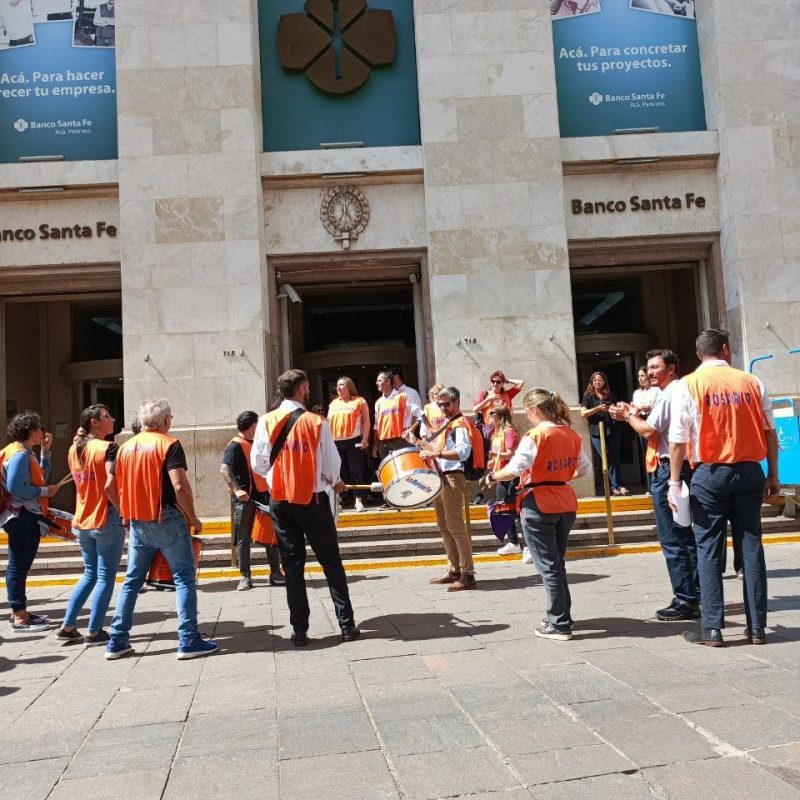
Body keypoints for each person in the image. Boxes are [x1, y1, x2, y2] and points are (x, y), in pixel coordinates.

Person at [668, 329, 779, 647]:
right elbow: (769, 430)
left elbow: (678, 439)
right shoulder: (751, 382)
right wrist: (773, 474)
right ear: (726, 349)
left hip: (709, 474)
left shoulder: (689, 384)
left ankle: (713, 628)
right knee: (751, 547)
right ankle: (757, 627)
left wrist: (675, 481)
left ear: (699, 354)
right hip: (749, 472)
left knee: (708, 549)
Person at [251, 369, 359, 647]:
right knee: (331, 561)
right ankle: (346, 625)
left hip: (281, 501)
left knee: (292, 565)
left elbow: (259, 465)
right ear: (301, 389)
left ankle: (300, 630)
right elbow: (331, 465)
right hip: (311, 500)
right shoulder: (316, 422)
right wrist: (334, 482)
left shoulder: (265, 421)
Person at [105, 398, 218, 660]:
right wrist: (193, 517)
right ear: (165, 420)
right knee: (184, 578)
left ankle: (117, 640)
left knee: (132, 581)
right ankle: (188, 639)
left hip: (137, 520)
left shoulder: (125, 447)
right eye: (171, 419)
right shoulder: (169, 444)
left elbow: (110, 486)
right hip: (166, 517)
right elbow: (179, 486)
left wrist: (123, 509)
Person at [489, 389, 592, 641]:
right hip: (565, 501)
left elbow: (516, 468)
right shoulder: (572, 434)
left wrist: (494, 476)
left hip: (538, 501)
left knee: (548, 566)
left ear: (534, 410)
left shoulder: (535, 435)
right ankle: (561, 615)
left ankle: (559, 624)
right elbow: (585, 468)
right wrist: (561, 477)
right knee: (557, 563)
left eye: (528, 412)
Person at [610, 350, 699, 621]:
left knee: (673, 537)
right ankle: (696, 593)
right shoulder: (679, 391)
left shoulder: (669, 394)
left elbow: (650, 430)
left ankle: (685, 599)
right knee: (685, 536)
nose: (649, 372)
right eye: (648, 368)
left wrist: (627, 416)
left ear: (671, 368)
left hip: (669, 470)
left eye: (655, 367)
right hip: (683, 468)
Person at [55, 404, 126, 646]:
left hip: (82, 519)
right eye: (107, 416)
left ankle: (68, 625)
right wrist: (122, 511)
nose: (113, 419)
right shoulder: (109, 448)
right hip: (105, 517)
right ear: (94, 423)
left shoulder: (74, 449)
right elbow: (109, 485)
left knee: (89, 574)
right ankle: (95, 631)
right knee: (105, 576)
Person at [1, 411, 60, 633]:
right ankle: (19, 616)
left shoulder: (20, 452)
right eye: (39, 428)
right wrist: (45, 490)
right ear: (31, 431)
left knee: (19, 565)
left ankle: (18, 611)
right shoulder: (20, 455)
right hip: (22, 516)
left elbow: (39, 476)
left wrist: (45, 452)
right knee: (18, 566)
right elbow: (15, 487)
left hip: (20, 515)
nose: (42, 432)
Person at [415, 387, 477, 592]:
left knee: (456, 527)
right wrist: (415, 440)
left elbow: (462, 453)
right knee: (444, 525)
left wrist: (436, 454)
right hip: (440, 477)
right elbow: (435, 451)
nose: (443, 408)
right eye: (440, 404)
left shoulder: (459, 424)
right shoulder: (449, 424)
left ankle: (467, 574)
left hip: (452, 477)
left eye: (447, 404)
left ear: (457, 403)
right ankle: (454, 570)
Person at [221, 410, 285, 592]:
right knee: (243, 539)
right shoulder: (235, 445)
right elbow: (224, 469)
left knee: (270, 537)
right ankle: (245, 577)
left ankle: (275, 573)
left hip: (263, 496)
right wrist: (237, 489)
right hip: (245, 499)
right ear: (254, 425)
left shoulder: (257, 443)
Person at [472, 371, 524, 503]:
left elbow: (521, 383)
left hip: (503, 430)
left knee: (503, 459)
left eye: (498, 381)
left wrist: (507, 380)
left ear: (502, 383)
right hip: (489, 430)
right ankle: (481, 493)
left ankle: (506, 490)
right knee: (486, 462)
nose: (495, 384)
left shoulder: (507, 394)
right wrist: (489, 399)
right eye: (493, 381)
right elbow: (475, 409)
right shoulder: (485, 394)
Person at [581, 371, 628, 496]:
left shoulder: (610, 395)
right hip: (597, 431)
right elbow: (583, 413)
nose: (597, 382)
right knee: (607, 457)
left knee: (615, 457)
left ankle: (617, 486)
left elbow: (617, 409)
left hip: (612, 429)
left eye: (600, 380)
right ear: (592, 382)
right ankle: (617, 485)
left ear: (604, 382)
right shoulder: (588, 396)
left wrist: (615, 409)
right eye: (595, 380)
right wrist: (598, 409)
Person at [328, 377, 370, 513]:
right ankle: (340, 500)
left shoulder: (359, 401)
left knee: (355, 470)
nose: (338, 388)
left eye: (342, 385)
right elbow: (328, 424)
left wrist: (365, 439)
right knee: (339, 472)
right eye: (337, 385)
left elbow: (366, 421)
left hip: (354, 440)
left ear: (349, 387)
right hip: (335, 442)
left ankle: (358, 500)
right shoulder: (333, 403)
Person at [488, 406, 523, 556]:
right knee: (504, 510)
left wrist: (495, 455)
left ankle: (527, 545)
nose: (489, 417)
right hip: (501, 475)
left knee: (517, 509)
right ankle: (513, 542)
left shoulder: (509, 432)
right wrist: (493, 461)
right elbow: (500, 455)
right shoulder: (495, 433)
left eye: (492, 415)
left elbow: (511, 454)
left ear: (500, 416)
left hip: (511, 475)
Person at [373, 370, 422, 462]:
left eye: (379, 380)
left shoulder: (403, 396)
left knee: (406, 470)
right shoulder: (378, 402)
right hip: (383, 444)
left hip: (402, 441)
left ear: (388, 381)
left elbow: (420, 415)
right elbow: (377, 426)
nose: (376, 383)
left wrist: (411, 430)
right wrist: (375, 445)